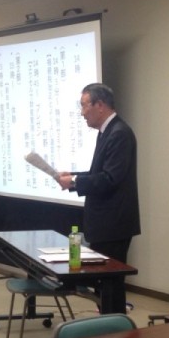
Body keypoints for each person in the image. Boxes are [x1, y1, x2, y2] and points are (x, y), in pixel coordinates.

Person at [57, 83, 140, 313]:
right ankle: (109, 322)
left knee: (111, 280)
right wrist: (73, 176)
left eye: (84, 106)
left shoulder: (119, 133)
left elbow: (110, 179)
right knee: (105, 281)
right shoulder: (108, 131)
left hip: (114, 223)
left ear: (100, 105)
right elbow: (98, 173)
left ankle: (115, 325)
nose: (82, 113)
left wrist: (75, 182)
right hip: (106, 222)